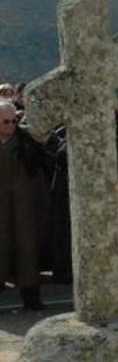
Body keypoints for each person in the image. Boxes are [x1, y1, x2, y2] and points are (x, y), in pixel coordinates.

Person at [0, 101, 49, 309]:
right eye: (5, 121)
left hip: (24, 205)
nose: (10, 125)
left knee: (27, 249)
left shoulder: (26, 140)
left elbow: (44, 163)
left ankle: (31, 298)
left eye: (14, 121)